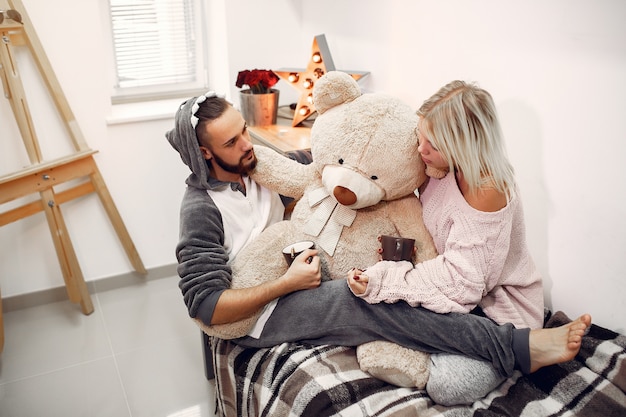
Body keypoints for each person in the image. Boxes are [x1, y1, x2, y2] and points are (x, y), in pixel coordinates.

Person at [166, 91, 591, 400]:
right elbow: (204, 305)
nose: (248, 145)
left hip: (298, 269)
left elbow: (332, 165)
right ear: (203, 153)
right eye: (232, 142)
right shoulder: (201, 208)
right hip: (261, 312)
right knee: (365, 301)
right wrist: (287, 284)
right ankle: (515, 346)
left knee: (376, 295)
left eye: (244, 132)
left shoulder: (254, 166)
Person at [346, 80, 558, 404]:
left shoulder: (488, 188)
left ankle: (518, 346)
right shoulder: (439, 169)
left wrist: (386, 280)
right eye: (421, 137)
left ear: (462, 145)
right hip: (458, 291)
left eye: (432, 143)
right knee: (369, 303)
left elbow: (463, 285)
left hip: (497, 309)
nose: (420, 150)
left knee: (450, 385)